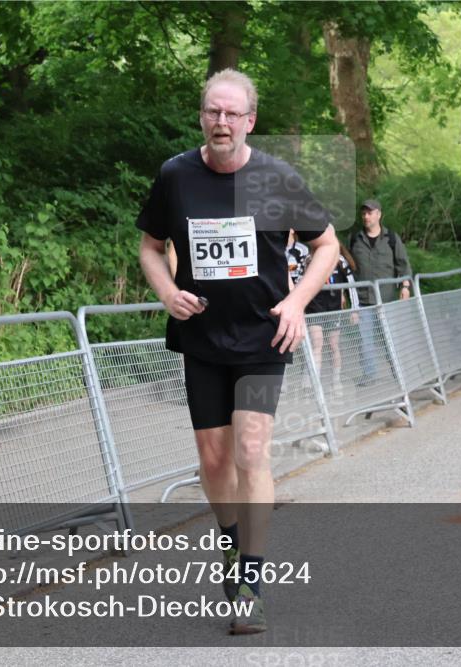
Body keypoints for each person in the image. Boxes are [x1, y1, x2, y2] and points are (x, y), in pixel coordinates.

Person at [136, 68, 338, 634]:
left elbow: (326, 245)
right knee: (214, 459)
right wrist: (168, 292)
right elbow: (151, 248)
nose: (221, 121)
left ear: (250, 121)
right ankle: (229, 545)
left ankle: (250, 577)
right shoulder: (176, 175)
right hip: (201, 338)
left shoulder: (276, 177)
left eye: (232, 113)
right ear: (202, 116)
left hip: (261, 338)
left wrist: (297, 303)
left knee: (251, 450)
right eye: (212, 111)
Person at [349, 199, 412, 386]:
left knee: (390, 339)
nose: (366, 216)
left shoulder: (391, 238)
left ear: (379, 214)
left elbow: (403, 264)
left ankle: (399, 371)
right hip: (363, 299)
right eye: (364, 213)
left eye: (370, 213)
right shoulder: (355, 239)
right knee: (365, 342)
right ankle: (369, 375)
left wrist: (406, 286)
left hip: (387, 299)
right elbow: (350, 271)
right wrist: (351, 302)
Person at [300, 243, 358, 397]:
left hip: (334, 309)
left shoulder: (340, 260)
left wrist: (354, 309)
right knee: (317, 344)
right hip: (315, 308)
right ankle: (314, 384)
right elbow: (299, 283)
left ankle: (336, 381)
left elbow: (351, 285)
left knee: (333, 346)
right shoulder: (308, 259)